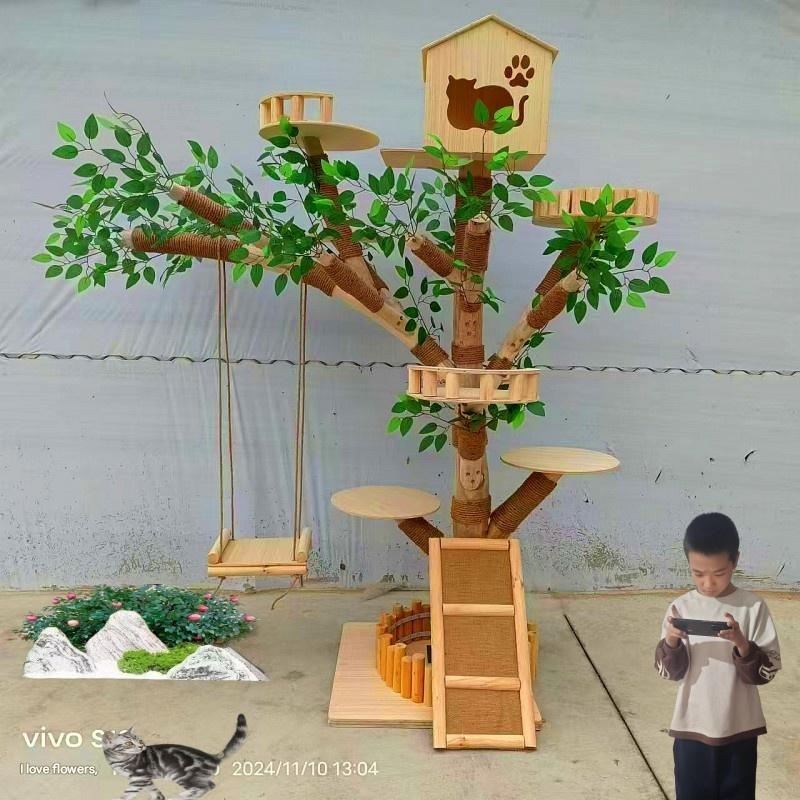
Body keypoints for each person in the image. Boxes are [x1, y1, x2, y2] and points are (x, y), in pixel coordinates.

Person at [654, 512, 781, 800]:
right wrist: (671, 641)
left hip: (740, 730)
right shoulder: (680, 608)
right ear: (688, 563)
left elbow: (768, 671)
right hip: (691, 729)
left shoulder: (752, 608)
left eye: (719, 573)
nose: (708, 583)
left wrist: (742, 644)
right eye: (698, 573)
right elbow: (668, 671)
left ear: (735, 561)